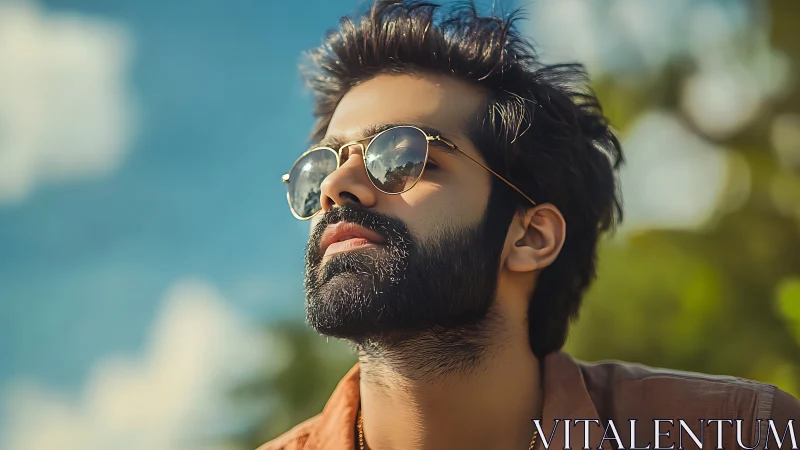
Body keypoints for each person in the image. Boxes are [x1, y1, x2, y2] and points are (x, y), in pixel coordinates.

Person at [262, 1, 800, 449]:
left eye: (401, 156)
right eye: (322, 168)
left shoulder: (743, 432)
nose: (338, 186)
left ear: (530, 236)